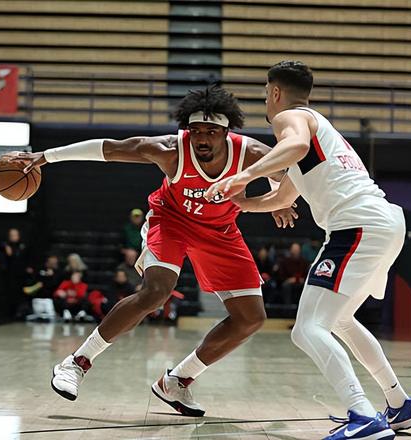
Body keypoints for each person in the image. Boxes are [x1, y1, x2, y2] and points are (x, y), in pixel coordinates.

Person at [18, 84, 297, 416]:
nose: (202, 138)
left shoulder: (250, 153)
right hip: (171, 221)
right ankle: (77, 362)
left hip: (220, 230)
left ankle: (176, 381)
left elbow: (285, 170)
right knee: (155, 292)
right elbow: (110, 148)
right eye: (196, 131)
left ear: (226, 132)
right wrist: (45, 157)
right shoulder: (170, 150)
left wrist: (278, 198)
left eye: (211, 132)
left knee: (251, 318)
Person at [206, 61, 411, 439]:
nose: (266, 101)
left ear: (276, 93)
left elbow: (294, 145)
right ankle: (399, 405)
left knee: (307, 328)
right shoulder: (319, 129)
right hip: (383, 223)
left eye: (266, 94)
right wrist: (241, 202)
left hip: (357, 227)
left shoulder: (290, 119)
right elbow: (282, 197)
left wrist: (243, 175)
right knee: (340, 320)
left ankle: (362, 415)